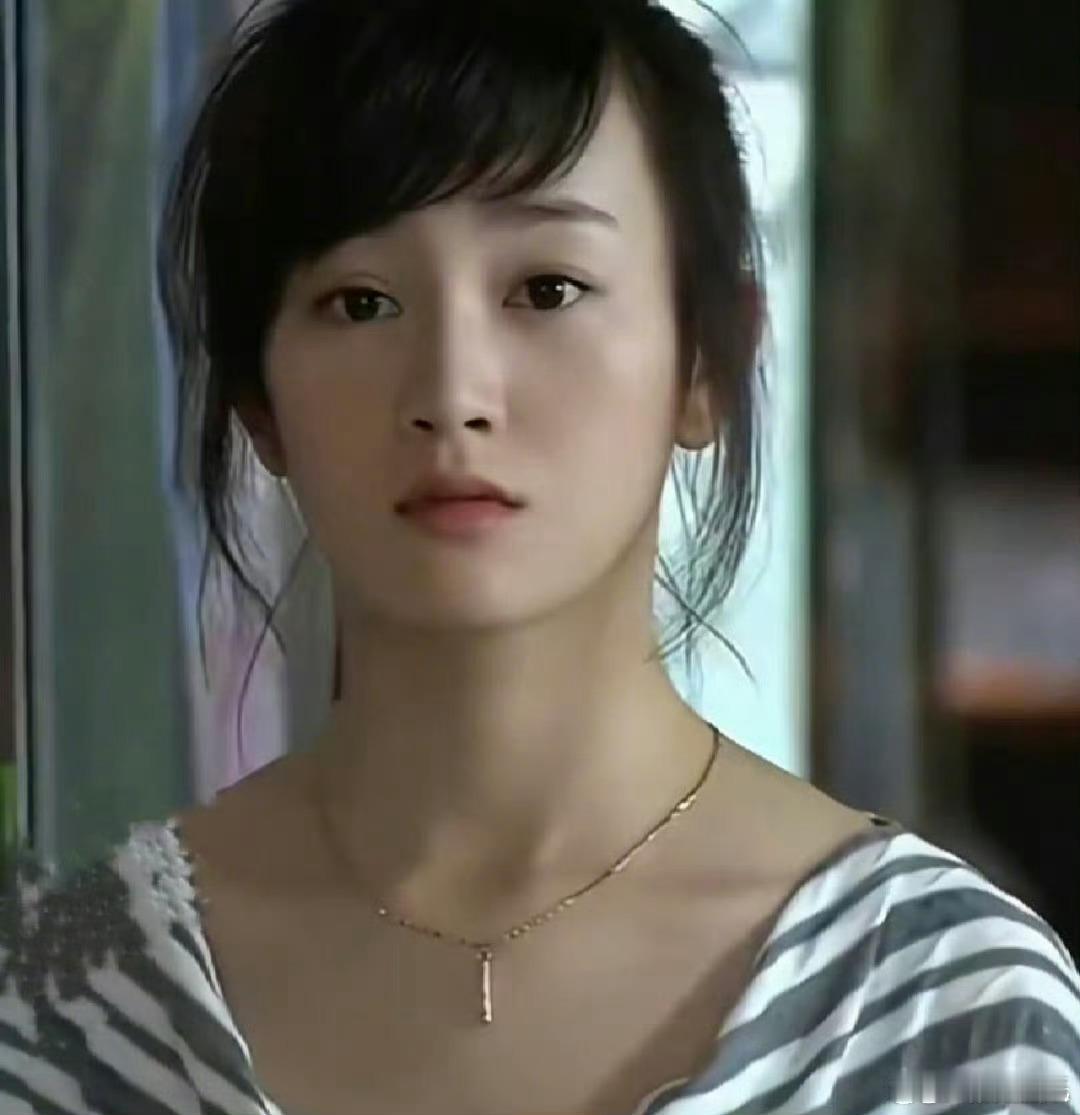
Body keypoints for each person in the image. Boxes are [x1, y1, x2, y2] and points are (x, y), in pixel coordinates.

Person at [2, 1, 1079, 1112]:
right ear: (257, 398)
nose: (452, 392)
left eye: (547, 290)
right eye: (361, 302)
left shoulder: (938, 1010)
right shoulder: (72, 1003)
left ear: (708, 358)